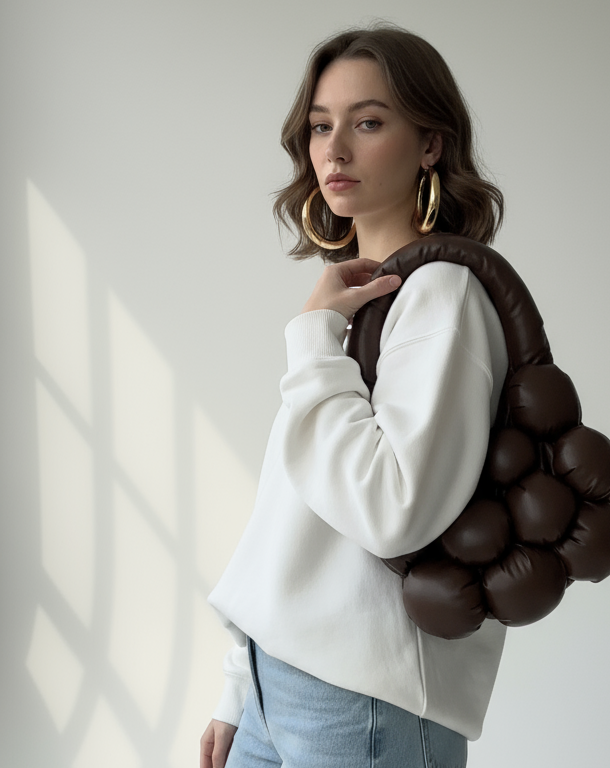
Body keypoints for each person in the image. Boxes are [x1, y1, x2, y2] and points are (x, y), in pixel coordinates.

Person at [200, 24, 508, 768]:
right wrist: (238, 691)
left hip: (364, 704)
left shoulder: (443, 294)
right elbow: (292, 513)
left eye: (368, 122)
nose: (334, 150)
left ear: (430, 143)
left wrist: (311, 341)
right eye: (320, 125)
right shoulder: (351, 297)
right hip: (279, 686)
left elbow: (391, 512)